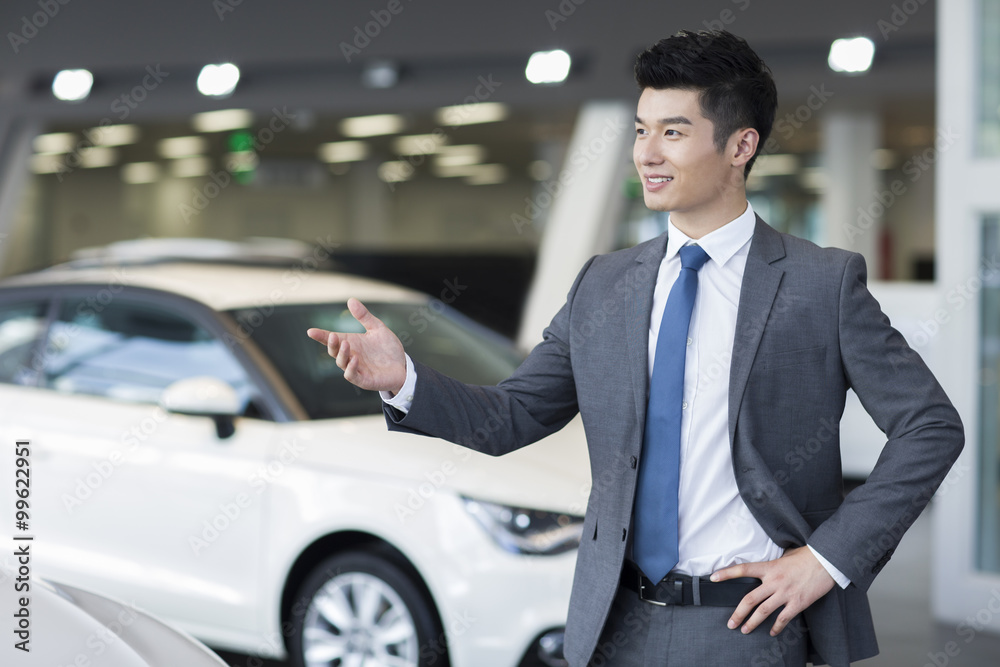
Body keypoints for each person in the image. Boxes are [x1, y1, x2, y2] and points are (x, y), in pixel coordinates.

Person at [307, 29, 964, 667]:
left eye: (673, 132)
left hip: (748, 627)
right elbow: (511, 416)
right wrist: (406, 381)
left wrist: (823, 561)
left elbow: (930, 426)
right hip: (613, 623)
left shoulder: (821, 283)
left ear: (741, 145)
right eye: (641, 130)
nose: (648, 153)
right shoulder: (605, 284)